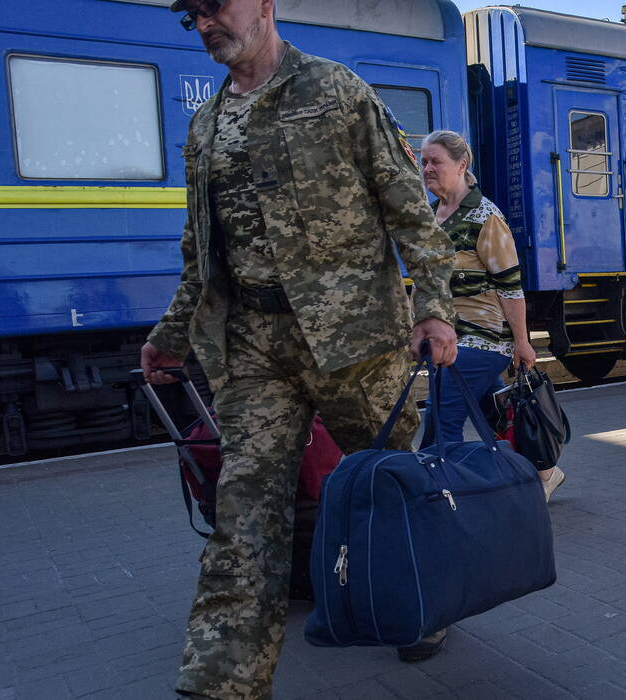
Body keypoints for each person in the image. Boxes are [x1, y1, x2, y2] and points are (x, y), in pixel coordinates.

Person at [142, 1, 457, 697]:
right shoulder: (205, 124)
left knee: (394, 487)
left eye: (215, 6)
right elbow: (201, 256)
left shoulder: (336, 90)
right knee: (244, 514)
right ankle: (222, 685)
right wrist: (168, 338)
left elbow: (409, 208)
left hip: (357, 342)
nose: (205, 25)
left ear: (264, 3)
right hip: (255, 346)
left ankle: (424, 607)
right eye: (192, 15)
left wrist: (433, 310)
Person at [415, 129, 564, 501]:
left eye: (436, 161)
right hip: (445, 336)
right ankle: (546, 472)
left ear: (461, 164)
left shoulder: (485, 216)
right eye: (424, 161)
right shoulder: (433, 215)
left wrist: (523, 342)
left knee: (440, 421)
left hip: (480, 338)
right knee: (496, 416)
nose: (427, 168)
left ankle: (439, 500)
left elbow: (510, 286)